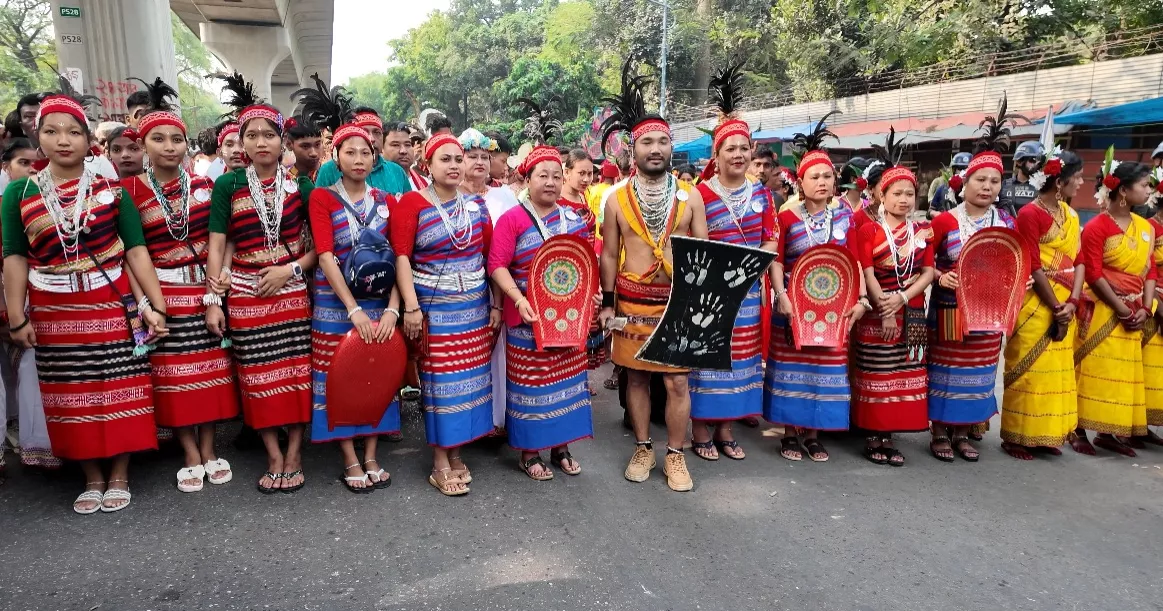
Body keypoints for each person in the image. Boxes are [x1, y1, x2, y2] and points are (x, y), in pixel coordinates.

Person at [2, 92, 169, 513]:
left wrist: (157, 304)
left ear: (87, 140)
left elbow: (135, 251)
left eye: (74, 131)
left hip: (110, 303)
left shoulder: (112, 191)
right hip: (54, 309)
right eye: (51, 132)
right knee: (70, 391)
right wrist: (18, 317)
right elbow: (15, 257)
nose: (63, 140)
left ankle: (119, 473)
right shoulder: (19, 193)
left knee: (119, 386)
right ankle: (91, 475)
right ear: (37, 137)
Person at [122, 77, 240, 491]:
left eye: (177, 138)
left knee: (210, 373)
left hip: (205, 291)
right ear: (143, 144)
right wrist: (145, 306)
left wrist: (215, 295)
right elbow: (131, 255)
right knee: (174, 377)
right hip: (162, 292)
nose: (169, 146)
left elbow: (221, 242)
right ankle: (189, 451)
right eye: (159, 139)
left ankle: (209, 448)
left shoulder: (207, 187)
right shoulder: (128, 191)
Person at [598, 60, 708, 492]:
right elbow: (609, 254)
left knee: (677, 379)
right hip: (631, 299)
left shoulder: (691, 196)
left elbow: (705, 255)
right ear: (633, 149)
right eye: (647, 141)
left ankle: (676, 455)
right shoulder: (615, 199)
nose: (655, 148)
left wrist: (702, 303)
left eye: (663, 140)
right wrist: (608, 304)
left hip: (677, 302)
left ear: (671, 146)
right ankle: (644, 446)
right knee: (638, 377)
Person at [205, 73, 317, 493]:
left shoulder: (300, 185)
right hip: (245, 293)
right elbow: (218, 245)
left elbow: (320, 250)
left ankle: (294, 452)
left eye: (269, 134)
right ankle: (272, 453)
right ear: (241, 142)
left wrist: (288, 272)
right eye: (250, 135)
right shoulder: (227, 185)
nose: (260, 142)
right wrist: (212, 300)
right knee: (256, 375)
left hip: (289, 287)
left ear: (281, 140)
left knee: (294, 373)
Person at [302, 92, 401, 492]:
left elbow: (400, 258)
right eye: (350, 152)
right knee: (337, 375)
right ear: (336, 157)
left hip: (380, 302)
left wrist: (392, 310)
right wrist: (353, 309)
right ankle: (348, 456)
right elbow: (325, 256)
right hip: (334, 303)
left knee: (377, 371)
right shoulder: (323, 198)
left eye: (366, 152)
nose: (359, 159)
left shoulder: (387, 201)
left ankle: (372, 453)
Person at [392, 132, 498, 496]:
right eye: (446, 159)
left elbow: (490, 259)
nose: (454, 166)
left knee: (469, 382)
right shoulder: (411, 204)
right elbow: (401, 257)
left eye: (459, 159)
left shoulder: (476, 207)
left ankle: (457, 452)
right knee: (441, 385)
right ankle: (439, 460)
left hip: (473, 308)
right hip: (434, 310)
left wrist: (496, 304)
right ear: (429, 165)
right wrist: (411, 307)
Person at [489, 141, 595, 480]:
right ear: (528, 178)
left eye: (555, 176)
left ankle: (561, 447)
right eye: (542, 175)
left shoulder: (573, 219)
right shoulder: (512, 220)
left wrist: (591, 296)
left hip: (569, 321)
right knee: (530, 388)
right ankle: (530, 452)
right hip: (528, 320)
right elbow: (496, 265)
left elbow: (584, 264)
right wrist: (516, 298)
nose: (549, 182)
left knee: (566, 384)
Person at [688, 63, 777, 462]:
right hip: (709, 291)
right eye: (731, 149)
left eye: (745, 148)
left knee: (739, 359)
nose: (739, 155)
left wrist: (761, 267)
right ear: (717, 154)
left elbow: (770, 237)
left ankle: (726, 428)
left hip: (750, 293)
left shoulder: (762, 195)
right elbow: (692, 243)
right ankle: (701, 429)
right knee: (707, 357)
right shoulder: (698, 194)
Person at [764, 113, 866, 463]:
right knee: (792, 366)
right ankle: (790, 433)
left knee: (824, 369)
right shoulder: (787, 218)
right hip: (794, 303)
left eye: (827, 176)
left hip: (835, 307)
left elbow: (854, 262)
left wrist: (861, 300)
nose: (822, 182)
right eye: (814, 177)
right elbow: (776, 260)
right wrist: (781, 295)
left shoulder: (845, 218)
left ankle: (814, 433)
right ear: (800, 181)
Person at [927, 99, 1018, 462]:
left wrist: (1018, 283)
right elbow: (925, 265)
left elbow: (1015, 265)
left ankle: (965, 432)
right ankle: (938, 432)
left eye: (995, 181)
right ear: (964, 183)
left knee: (980, 372)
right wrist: (940, 276)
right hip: (950, 310)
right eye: (981, 180)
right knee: (946, 368)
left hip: (988, 314)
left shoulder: (1007, 224)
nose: (988, 187)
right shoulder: (944, 222)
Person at [1000, 148, 1085, 460]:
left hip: (1067, 299)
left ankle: (1046, 433)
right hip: (1037, 300)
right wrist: (1056, 307)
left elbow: (1080, 261)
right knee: (1030, 370)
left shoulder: (1073, 216)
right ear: (1059, 181)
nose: (1082, 182)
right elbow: (1033, 264)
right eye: (1077, 177)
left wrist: (1072, 302)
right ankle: (1016, 436)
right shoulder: (1030, 214)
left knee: (1057, 372)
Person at [851, 162, 935, 466]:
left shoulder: (923, 231)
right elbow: (867, 272)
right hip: (878, 310)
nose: (904, 199)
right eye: (896, 193)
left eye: (910, 193)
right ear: (881, 196)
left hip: (910, 310)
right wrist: (885, 308)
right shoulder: (868, 230)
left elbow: (928, 272)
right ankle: (874, 434)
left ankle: (889, 436)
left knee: (904, 373)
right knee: (877, 372)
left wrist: (902, 298)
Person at [1074, 159, 1154, 457]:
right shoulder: (1096, 228)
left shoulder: (1145, 228)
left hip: (1135, 310)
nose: (1149, 191)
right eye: (1144, 185)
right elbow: (1093, 273)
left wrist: (1144, 307)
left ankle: (1107, 431)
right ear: (1122, 190)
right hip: (1104, 309)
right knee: (1092, 368)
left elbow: (1150, 272)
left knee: (1121, 375)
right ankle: (1078, 427)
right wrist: (1121, 308)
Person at [0, 137, 54, 470]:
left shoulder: (55, 198)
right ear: (5, 167)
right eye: (23, 163)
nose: (32, 169)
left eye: (36, 163)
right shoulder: (9, 203)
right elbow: (12, 257)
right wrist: (14, 315)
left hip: (53, 297)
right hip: (20, 300)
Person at [314, 105, 409, 196]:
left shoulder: (397, 171)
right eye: (364, 131)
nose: (371, 138)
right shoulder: (328, 171)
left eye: (377, 132)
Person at [999, 140, 1042, 218]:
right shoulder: (1003, 185)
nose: (1037, 165)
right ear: (1019, 162)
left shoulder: (1043, 189)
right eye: (1033, 160)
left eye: (1040, 162)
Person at [385, 121, 427, 191]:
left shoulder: (427, 185)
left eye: (408, 145)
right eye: (395, 145)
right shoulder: (369, 185)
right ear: (381, 148)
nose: (403, 151)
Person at [928, 152, 971, 217]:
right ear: (954, 170)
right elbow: (929, 212)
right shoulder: (943, 189)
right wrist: (936, 214)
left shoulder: (977, 193)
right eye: (959, 169)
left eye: (965, 169)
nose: (963, 172)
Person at [284, 116, 322, 182]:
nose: (314, 153)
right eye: (305, 146)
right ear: (289, 145)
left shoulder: (333, 174)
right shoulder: (283, 178)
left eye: (317, 145)